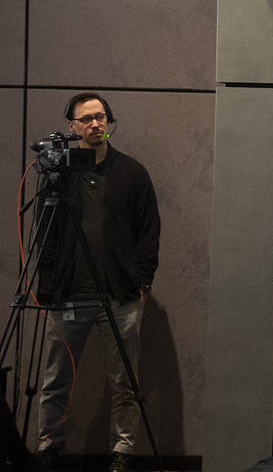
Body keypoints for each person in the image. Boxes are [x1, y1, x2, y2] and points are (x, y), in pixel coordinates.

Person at [35, 93, 160, 472]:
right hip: (68, 294)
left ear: (109, 121)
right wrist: (48, 283)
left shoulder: (132, 173)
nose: (95, 124)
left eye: (101, 117)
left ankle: (122, 452)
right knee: (57, 379)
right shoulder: (61, 174)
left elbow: (149, 231)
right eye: (86, 119)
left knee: (125, 381)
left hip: (120, 296)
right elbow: (45, 234)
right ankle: (47, 449)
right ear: (71, 128)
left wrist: (142, 280)